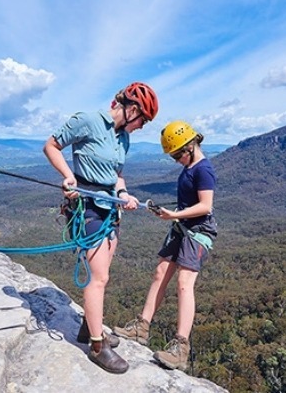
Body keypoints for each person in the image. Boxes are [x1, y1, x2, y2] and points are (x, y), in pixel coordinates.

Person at [43, 82, 158, 374]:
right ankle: (96, 345)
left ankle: (87, 327)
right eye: (143, 120)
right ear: (132, 110)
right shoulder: (89, 121)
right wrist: (69, 177)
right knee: (99, 276)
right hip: (86, 206)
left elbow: (117, 175)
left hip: (110, 209)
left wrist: (123, 194)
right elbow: (52, 145)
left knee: (104, 272)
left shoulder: (123, 138)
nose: (142, 127)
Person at [113, 120, 218, 371]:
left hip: (198, 231)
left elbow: (206, 206)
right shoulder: (189, 167)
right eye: (173, 156)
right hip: (181, 227)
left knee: (184, 284)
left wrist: (173, 215)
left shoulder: (204, 170)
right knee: (160, 272)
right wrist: (170, 215)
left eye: (178, 154)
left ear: (191, 145)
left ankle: (181, 348)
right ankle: (141, 326)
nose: (176, 159)